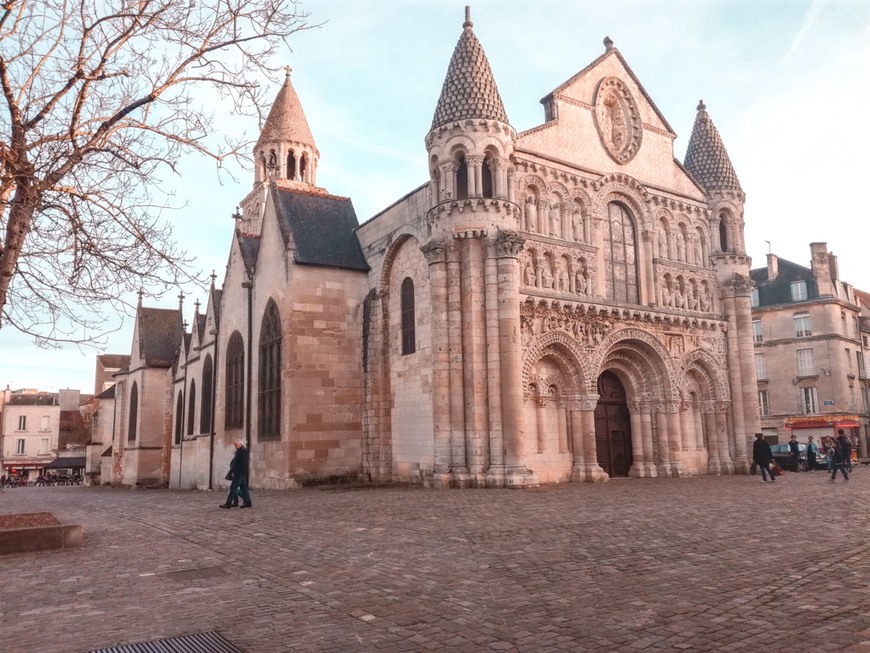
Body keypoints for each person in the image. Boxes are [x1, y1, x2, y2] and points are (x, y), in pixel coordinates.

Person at [220, 439, 252, 509]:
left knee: (233, 488)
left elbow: (243, 464)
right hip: (241, 473)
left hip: (239, 474)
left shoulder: (243, 451)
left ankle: (228, 504)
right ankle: (248, 502)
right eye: (235, 444)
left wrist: (236, 472)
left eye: (236, 444)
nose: (235, 446)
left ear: (240, 444)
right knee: (243, 488)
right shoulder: (240, 451)